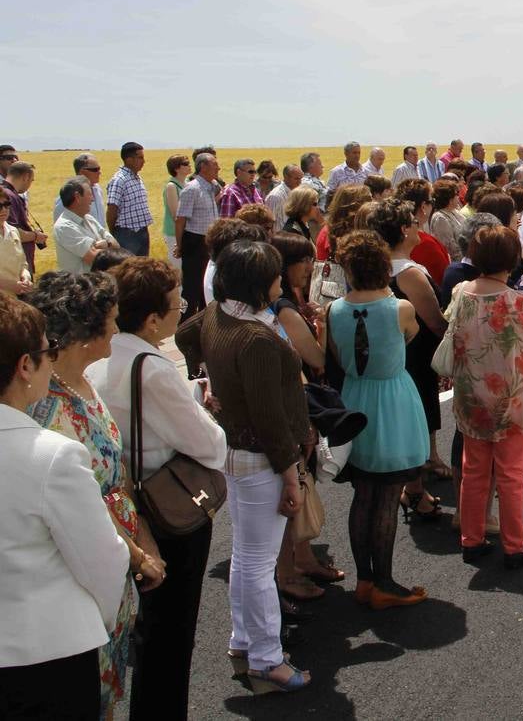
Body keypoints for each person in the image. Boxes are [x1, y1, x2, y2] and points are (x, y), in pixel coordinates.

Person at [87, 258, 227, 720]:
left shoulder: (99, 358)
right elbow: (209, 443)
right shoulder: (151, 365)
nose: (181, 308)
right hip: (168, 511)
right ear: (152, 318)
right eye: (175, 303)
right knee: (171, 639)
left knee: (143, 634)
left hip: (123, 508)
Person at [176, 241, 312, 693]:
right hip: (261, 460)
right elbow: (270, 418)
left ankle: (245, 644)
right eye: (275, 275)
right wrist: (291, 474)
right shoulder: (254, 336)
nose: (282, 281)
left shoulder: (218, 313)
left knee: (247, 558)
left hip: (236, 451)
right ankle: (266, 659)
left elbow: (184, 335)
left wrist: (210, 383)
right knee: (258, 563)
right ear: (261, 283)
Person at [25, 271, 163, 715]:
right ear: (87, 336)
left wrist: (141, 534)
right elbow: (79, 505)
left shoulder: (84, 380)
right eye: (113, 320)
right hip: (89, 565)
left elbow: (115, 473)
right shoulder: (48, 407)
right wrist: (139, 555)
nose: (119, 327)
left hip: (119, 552)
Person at [0, 293, 130, 721]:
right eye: (44, 351)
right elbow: (104, 562)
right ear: (24, 366)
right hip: (49, 653)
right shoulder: (53, 455)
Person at [327, 230, 432, 605]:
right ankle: (384, 583)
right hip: (392, 401)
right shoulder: (399, 307)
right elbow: (410, 336)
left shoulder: (335, 309)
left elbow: (340, 357)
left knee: (363, 495)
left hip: (355, 399)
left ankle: (365, 580)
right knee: (387, 496)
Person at [440, 226, 523, 569]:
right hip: (510, 400)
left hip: (471, 395)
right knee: (511, 475)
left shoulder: (461, 292)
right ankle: (515, 546)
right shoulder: (519, 301)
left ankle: (471, 539)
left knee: (475, 473)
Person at [365, 200, 451, 507]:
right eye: (414, 223)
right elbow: (436, 321)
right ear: (403, 230)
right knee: (417, 415)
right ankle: (414, 488)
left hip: (395, 353)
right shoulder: (409, 273)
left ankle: (422, 469)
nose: (418, 227)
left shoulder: (376, 267)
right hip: (415, 354)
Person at [174, 152, 221, 317]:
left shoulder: (212, 186)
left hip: (209, 242)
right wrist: (180, 246)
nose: (218, 168)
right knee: (192, 289)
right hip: (195, 242)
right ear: (203, 167)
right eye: (214, 165)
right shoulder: (192, 188)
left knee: (206, 285)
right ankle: (185, 323)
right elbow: (180, 220)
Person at [54, 176, 115, 273]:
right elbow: (94, 258)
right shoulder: (64, 227)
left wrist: (107, 244)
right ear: (77, 197)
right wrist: (109, 246)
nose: (92, 199)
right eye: (90, 194)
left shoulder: (89, 219)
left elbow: (116, 244)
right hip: (80, 286)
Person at [105, 142, 152, 256]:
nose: (143, 161)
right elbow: (112, 209)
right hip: (126, 234)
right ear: (129, 160)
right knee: (127, 270)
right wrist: (114, 234)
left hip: (142, 231)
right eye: (140, 158)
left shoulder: (137, 177)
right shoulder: (119, 180)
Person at [3, 161, 45, 274]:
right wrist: (36, 236)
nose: (30, 184)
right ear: (26, 177)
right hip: (16, 268)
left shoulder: (7, 193)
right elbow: (12, 233)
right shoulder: (8, 196)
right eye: (31, 180)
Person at [0, 189, 33, 294]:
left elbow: (23, 264)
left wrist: (26, 277)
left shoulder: (13, 231)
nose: (4, 210)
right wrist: (10, 285)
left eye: (7, 204)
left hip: (15, 299)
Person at [429, 178, 468, 262]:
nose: (458, 196)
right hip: (457, 263)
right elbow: (450, 248)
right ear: (449, 199)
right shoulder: (440, 219)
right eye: (456, 194)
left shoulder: (455, 211)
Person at [264, 164, 302, 231]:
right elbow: (268, 223)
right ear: (286, 177)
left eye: (300, 178)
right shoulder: (276, 196)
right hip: (280, 239)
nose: (299, 182)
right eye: (296, 179)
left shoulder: (297, 192)